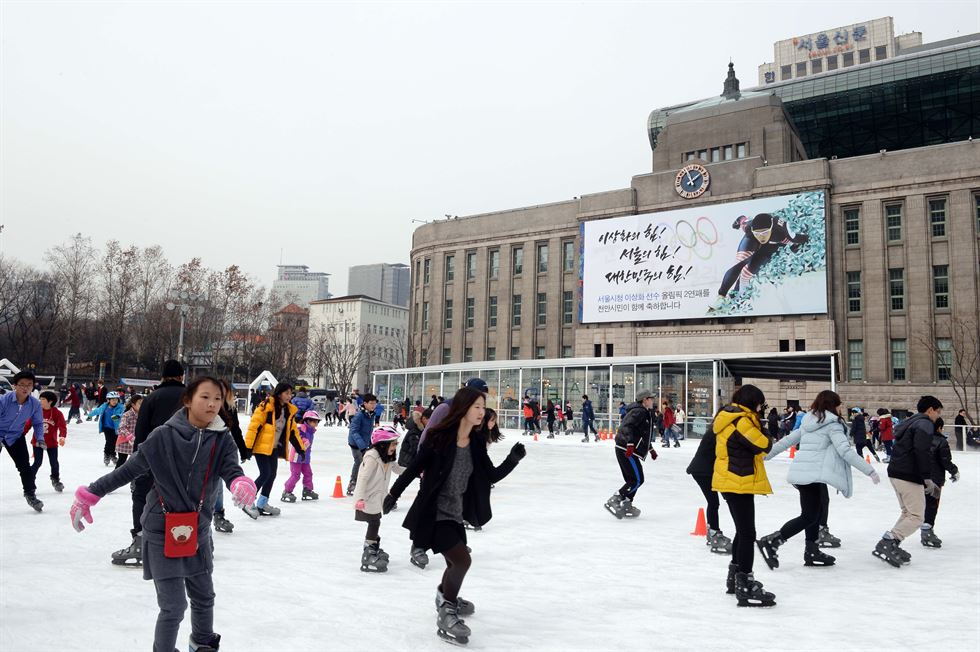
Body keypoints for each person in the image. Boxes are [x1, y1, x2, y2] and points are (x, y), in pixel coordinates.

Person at [70, 376, 258, 652]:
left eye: (218, 398)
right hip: (161, 527)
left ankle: (202, 645)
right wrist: (90, 495)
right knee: (173, 606)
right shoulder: (164, 436)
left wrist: (240, 482)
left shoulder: (222, 439)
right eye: (205, 397)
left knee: (204, 596)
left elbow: (231, 469)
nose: (212, 404)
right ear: (188, 400)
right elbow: (129, 470)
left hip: (198, 529)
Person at [383, 387, 526, 646]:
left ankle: (445, 596)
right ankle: (447, 610)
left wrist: (513, 460)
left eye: (483, 407)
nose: (482, 412)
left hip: (456, 513)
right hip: (434, 512)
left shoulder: (476, 443)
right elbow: (415, 467)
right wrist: (393, 493)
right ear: (463, 409)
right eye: (477, 407)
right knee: (462, 561)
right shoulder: (439, 438)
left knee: (454, 563)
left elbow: (490, 475)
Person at [757, 391, 880, 570]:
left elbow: (787, 441)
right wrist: (869, 470)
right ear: (833, 405)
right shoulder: (832, 425)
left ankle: (812, 550)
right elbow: (845, 451)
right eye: (839, 405)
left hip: (806, 474)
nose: (840, 408)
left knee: (817, 510)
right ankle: (772, 541)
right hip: (812, 475)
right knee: (809, 515)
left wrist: (765, 456)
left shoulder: (809, 421)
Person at [112, 360, 187, 568]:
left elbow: (141, 433)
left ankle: (140, 541)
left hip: (154, 457)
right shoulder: (191, 396)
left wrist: (137, 464)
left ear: (162, 376)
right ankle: (187, 541)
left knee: (142, 496)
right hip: (185, 458)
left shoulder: (152, 398)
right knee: (182, 498)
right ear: (182, 376)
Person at [711, 384, 775, 607]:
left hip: (731, 479)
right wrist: (763, 426)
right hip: (738, 480)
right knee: (748, 533)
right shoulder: (742, 420)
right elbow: (764, 444)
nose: (761, 408)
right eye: (760, 403)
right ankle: (745, 581)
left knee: (742, 530)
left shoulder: (730, 416)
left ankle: (734, 577)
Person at [872, 396, 943, 568]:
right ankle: (890, 541)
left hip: (896, 472)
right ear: (930, 410)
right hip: (908, 474)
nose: (937, 416)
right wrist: (927, 477)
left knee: (907, 513)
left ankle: (892, 543)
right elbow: (922, 451)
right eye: (938, 412)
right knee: (917, 516)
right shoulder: (925, 424)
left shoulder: (910, 422)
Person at [710, 212, 809, 310]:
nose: (761, 236)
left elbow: (798, 238)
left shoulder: (782, 228)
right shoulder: (748, 227)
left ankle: (738, 296)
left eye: (764, 233)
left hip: (773, 244)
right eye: (758, 233)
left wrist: (801, 243)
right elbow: (743, 222)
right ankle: (721, 297)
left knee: (747, 273)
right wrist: (740, 220)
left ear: (771, 228)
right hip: (752, 239)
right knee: (739, 263)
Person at [242, 382, 304, 517]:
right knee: (265, 473)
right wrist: (247, 447)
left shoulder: (288, 410)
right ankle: (247, 501)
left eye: (290, 393)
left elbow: (292, 431)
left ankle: (262, 503)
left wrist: (300, 449)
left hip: (273, 448)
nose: (289, 396)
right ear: (279, 393)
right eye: (286, 393)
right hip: (261, 447)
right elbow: (254, 426)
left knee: (272, 474)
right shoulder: (266, 406)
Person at [354, 425, 404, 572]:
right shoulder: (371, 457)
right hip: (367, 498)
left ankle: (373, 547)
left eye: (396, 443)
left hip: (378, 497)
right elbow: (362, 478)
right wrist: (359, 499)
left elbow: (396, 469)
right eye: (393, 443)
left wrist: (414, 472)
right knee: (374, 523)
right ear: (383, 444)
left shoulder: (386, 456)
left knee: (375, 522)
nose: (395, 447)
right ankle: (368, 552)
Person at [605, 390, 657, 519]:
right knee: (636, 479)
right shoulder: (639, 411)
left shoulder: (644, 412)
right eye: (651, 398)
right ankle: (616, 498)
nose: (653, 401)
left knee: (633, 480)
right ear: (644, 399)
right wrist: (629, 444)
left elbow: (641, 433)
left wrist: (650, 449)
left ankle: (627, 503)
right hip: (626, 449)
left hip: (627, 448)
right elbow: (626, 427)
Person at [685, 420, 731, 554]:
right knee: (713, 502)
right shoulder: (717, 433)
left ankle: (713, 532)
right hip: (703, 471)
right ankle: (714, 534)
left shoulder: (715, 431)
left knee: (713, 502)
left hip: (704, 470)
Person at [920, 417, 959, 548]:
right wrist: (954, 471)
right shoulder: (941, 441)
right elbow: (945, 461)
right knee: (932, 505)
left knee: (923, 504)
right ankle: (927, 531)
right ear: (939, 428)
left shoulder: (919, 439)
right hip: (935, 480)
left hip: (918, 478)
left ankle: (925, 530)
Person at [213, 379, 245, 534]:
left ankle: (218, 514)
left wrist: (243, 450)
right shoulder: (207, 407)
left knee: (218, 485)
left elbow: (236, 430)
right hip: (205, 450)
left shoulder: (230, 408)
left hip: (222, 450)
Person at [28, 390, 68, 493]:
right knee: (37, 462)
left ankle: (55, 479)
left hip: (51, 443)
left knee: (54, 463)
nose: (40, 401)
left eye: (42, 399)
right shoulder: (36, 411)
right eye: (40, 399)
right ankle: (29, 480)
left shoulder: (57, 413)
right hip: (37, 442)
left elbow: (62, 426)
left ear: (50, 402)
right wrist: (18, 435)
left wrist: (62, 437)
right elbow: (27, 424)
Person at [282, 410, 320, 502]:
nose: (315, 423)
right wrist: (304, 440)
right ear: (307, 421)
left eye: (317, 421)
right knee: (296, 475)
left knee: (308, 473)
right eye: (313, 421)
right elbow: (295, 437)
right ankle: (287, 491)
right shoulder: (300, 428)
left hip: (305, 457)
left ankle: (307, 490)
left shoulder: (311, 431)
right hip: (296, 457)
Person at [347, 393, 378, 495]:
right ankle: (353, 482)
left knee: (368, 462)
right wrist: (362, 446)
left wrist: (371, 442)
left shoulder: (371, 414)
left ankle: (366, 484)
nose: (373, 405)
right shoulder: (359, 415)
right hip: (356, 443)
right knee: (359, 461)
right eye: (371, 403)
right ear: (365, 403)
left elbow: (369, 430)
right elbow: (354, 431)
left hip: (364, 442)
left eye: (375, 403)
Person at [95, 392, 124, 466]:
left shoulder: (120, 407)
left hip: (116, 428)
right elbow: (97, 410)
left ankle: (110, 454)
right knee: (109, 441)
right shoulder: (104, 406)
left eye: (116, 400)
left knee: (114, 442)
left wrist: (118, 416)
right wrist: (90, 414)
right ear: (108, 400)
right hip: (106, 427)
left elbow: (123, 413)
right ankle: (109, 455)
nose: (114, 401)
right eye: (113, 399)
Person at [115, 394, 143, 468]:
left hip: (135, 442)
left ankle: (135, 479)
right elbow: (121, 428)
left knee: (135, 463)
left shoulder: (143, 415)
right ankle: (116, 478)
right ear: (133, 405)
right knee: (121, 462)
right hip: (124, 442)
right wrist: (131, 437)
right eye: (140, 403)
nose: (142, 405)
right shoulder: (127, 414)